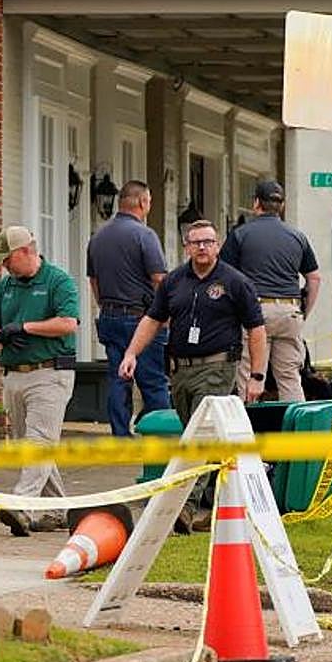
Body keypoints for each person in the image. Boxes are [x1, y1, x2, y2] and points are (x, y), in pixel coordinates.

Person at [119, 220, 266, 533]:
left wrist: (257, 375)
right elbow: (152, 320)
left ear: (217, 245)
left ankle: (184, 508)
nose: (202, 247)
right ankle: (225, 497)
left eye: (208, 242)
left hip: (218, 368)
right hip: (181, 370)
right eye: (196, 242)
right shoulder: (174, 282)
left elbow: (257, 329)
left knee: (198, 438)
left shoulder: (235, 281)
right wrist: (131, 353)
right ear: (186, 246)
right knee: (198, 437)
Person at [0, 226, 80, 536]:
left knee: (38, 442)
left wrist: (26, 328)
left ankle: (21, 506)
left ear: (26, 251)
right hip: (14, 375)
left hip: (50, 374)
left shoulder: (58, 281)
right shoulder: (5, 287)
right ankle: (56, 511)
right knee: (35, 445)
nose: (5, 266)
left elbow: (68, 323)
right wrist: (1, 334)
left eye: (7, 259)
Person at [220, 179, 321, 402]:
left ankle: (250, 431)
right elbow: (314, 278)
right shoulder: (298, 237)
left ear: (256, 203)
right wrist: (303, 312)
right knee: (289, 378)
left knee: (250, 376)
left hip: (256, 314)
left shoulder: (241, 235)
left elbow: (225, 276)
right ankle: (297, 432)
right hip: (289, 312)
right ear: (281, 206)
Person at [86, 180, 170, 437]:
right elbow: (159, 279)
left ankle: (120, 437)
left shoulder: (97, 237)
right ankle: (162, 436)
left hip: (110, 316)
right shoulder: (144, 235)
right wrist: (165, 315)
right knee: (153, 381)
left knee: (118, 378)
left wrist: (105, 305)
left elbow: (94, 281)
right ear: (143, 202)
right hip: (141, 318)